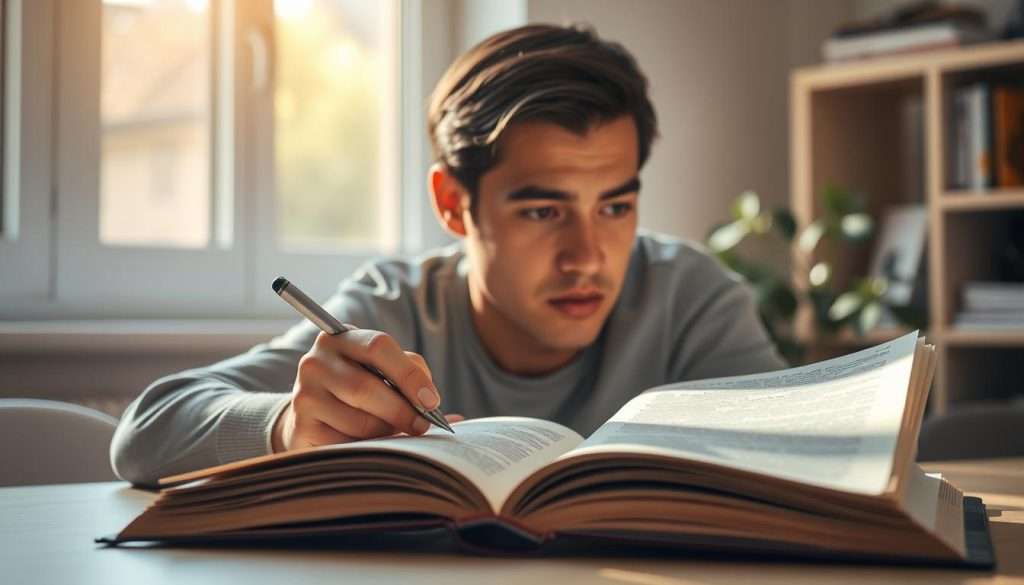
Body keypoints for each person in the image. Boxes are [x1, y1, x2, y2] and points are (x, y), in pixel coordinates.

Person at [111, 24, 786, 486]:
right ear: (453, 203)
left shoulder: (691, 296)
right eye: (543, 211)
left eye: (614, 206)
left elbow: (801, 463)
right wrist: (288, 426)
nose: (587, 256)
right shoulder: (395, 306)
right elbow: (144, 430)